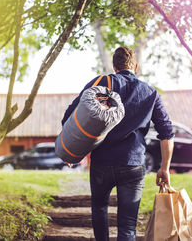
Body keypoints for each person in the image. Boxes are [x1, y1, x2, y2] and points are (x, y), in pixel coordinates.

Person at [61, 46, 174, 241]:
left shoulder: (101, 84)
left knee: (99, 209)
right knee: (128, 226)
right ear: (135, 66)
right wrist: (164, 168)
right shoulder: (150, 93)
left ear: (114, 66)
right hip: (133, 164)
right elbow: (167, 133)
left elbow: (69, 117)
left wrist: (73, 151)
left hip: (101, 162)